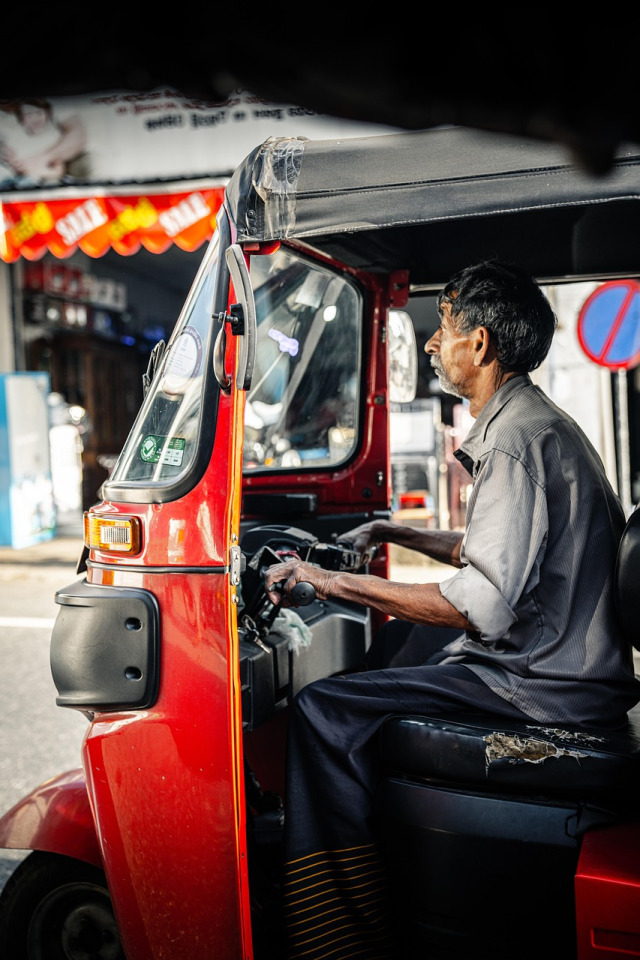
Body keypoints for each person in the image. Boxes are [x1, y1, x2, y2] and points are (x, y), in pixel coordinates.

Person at [263, 259, 640, 960]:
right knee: (401, 646)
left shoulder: (512, 442)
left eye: (443, 327)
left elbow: (483, 607)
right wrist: (392, 531)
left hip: (541, 687)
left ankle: (339, 931)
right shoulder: (533, 424)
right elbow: (498, 552)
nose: (433, 344)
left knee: (322, 711)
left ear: (482, 344)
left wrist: (325, 580)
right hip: (554, 664)